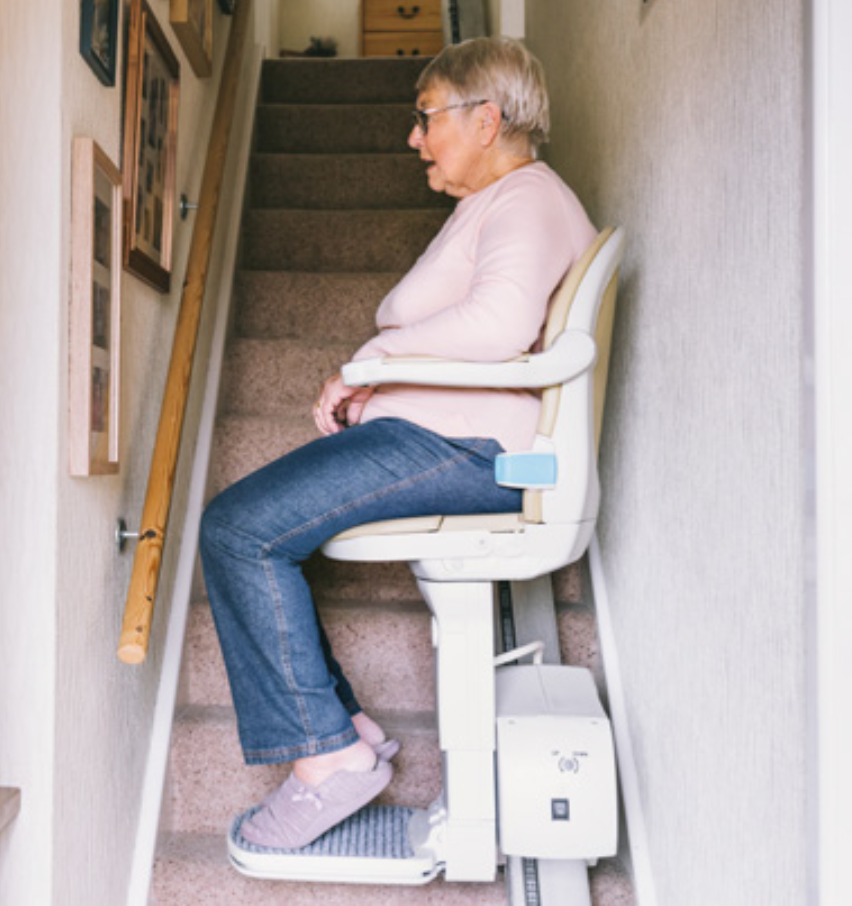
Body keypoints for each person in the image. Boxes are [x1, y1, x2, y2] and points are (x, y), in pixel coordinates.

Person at [199, 37, 597, 851]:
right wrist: (377, 379)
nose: (414, 139)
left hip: (470, 445)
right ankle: (340, 730)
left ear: (485, 120)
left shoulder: (525, 199)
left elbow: (499, 324)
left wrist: (370, 362)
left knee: (239, 530)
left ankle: (329, 758)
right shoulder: (499, 202)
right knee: (246, 525)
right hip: (450, 435)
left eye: (425, 118)